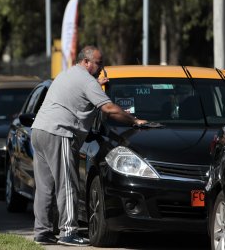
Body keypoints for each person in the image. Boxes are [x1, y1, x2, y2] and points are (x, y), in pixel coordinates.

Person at [31, 45, 147, 246]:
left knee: (45, 186)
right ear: (86, 62)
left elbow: (81, 92)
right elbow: (109, 108)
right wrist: (134, 121)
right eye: (98, 63)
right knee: (68, 184)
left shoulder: (69, 74)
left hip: (39, 131)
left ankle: (42, 231)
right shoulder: (86, 80)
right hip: (60, 133)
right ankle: (68, 232)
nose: (102, 68)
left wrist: (95, 83)